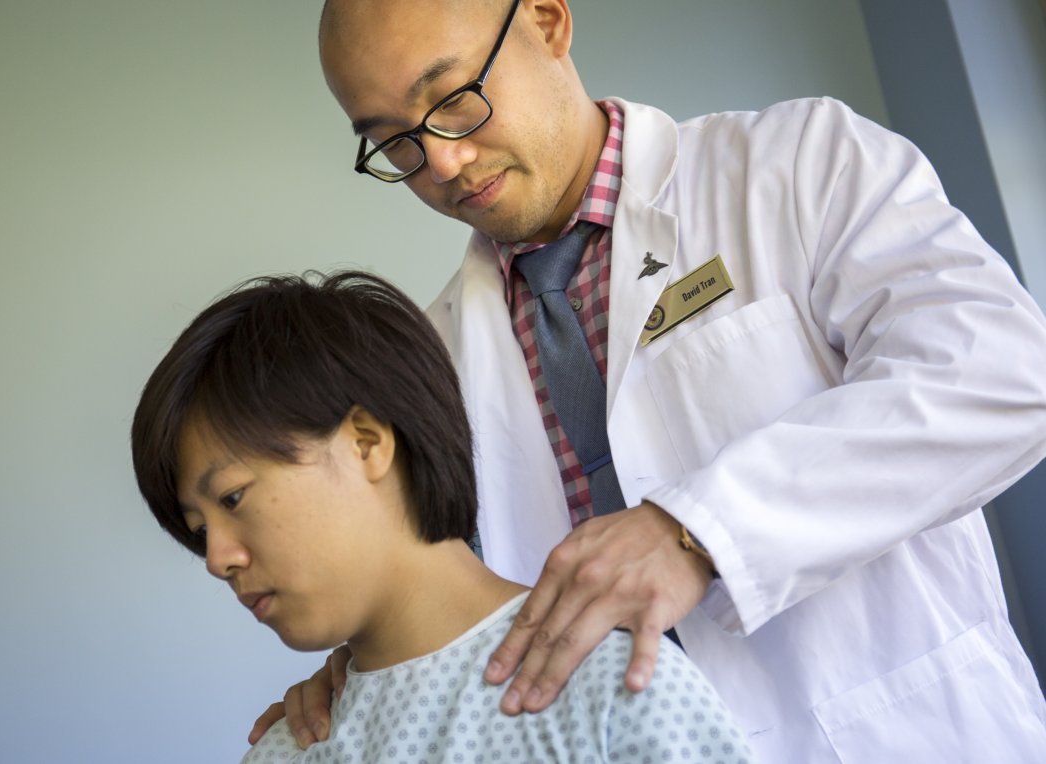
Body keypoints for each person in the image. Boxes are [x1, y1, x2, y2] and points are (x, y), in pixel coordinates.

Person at [253, 1, 1046, 762]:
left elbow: (1003, 372)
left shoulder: (796, 165)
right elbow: (445, 594)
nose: (443, 162)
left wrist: (698, 530)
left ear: (547, 21)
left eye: (454, 100)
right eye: (394, 142)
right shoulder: (430, 361)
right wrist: (370, 675)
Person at [130, 271, 758, 763]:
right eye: (200, 530)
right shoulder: (285, 751)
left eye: (232, 498)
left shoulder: (612, 689)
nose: (217, 559)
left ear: (366, 443)